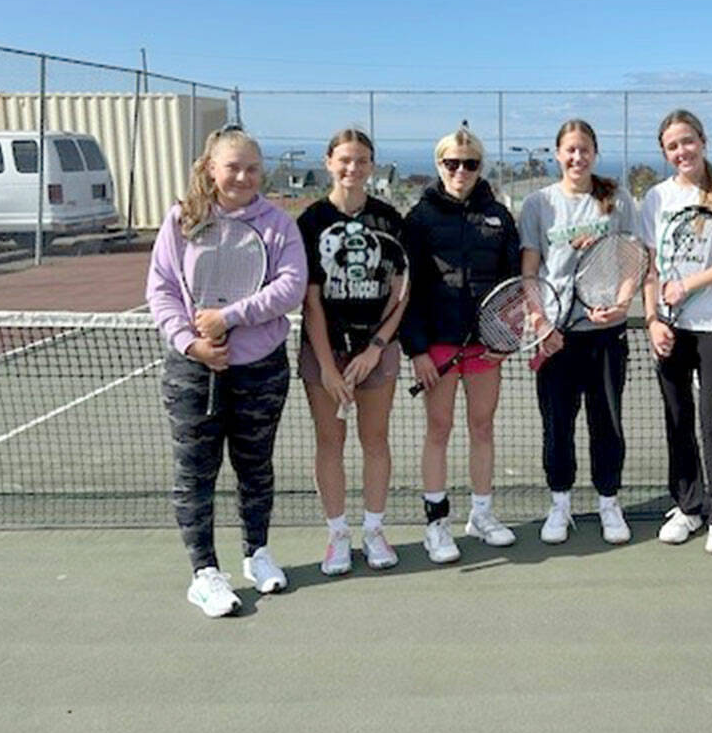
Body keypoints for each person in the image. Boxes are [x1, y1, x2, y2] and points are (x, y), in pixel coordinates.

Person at [146, 124, 306, 618]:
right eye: (232, 166)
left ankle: (256, 553)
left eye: (252, 168)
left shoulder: (279, 224)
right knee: (196, 473)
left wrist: (228, 317)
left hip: (260, 370)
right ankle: (204, 573)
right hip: (192, 372)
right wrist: (192, 343)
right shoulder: (182, 221)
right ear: (211, 168)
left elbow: (291, 287)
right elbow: (162, 289)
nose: (242, 176)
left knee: (255, 467)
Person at [400, 123, 521, 563]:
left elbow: (513, 286)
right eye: (452, 163)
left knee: (483, 427)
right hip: (438, 347)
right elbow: (406, 290)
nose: (461, 171)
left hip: (485, 347)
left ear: (479, 168)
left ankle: (482, 515)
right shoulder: (420, 219)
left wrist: (507, 338)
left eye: (469, 164)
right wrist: (416, 350)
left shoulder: (499, 216)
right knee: (439, 429)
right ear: (439, 165)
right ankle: (436, 524)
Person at [519, 119, 639, 546]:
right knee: (557, 426)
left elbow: (632, 259)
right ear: (557, 154)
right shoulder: (538, 204)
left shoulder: (616, 199)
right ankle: (561, 504)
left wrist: (623, 304)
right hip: (555, 336)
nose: (577, 157)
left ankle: (609, 502)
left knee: (607, 423)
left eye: (584, 149)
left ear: (595, 153)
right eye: (569, 150)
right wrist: (540, 323)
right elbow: (530, 272)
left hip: (605, 334)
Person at [640, 109, 712, 556]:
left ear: (703, 142)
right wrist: (652, 319)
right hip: (670, 327)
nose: (681, 151)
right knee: (677, 420)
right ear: (665, 153)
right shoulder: (656, 198)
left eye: (688, 141)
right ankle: (688, 506)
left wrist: (689, 284)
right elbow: (650, 266)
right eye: (673, 146)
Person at [297, 128, 407, 576]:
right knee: (330, 441)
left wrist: (374, 349)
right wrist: (327, 365)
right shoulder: (310, 222)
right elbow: (311, 301)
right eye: (344, 159)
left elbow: (400, 294)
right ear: (328, 162)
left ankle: (374, 530)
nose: (352, 168)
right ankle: (338, 535)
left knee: (375, 440)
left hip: (377, 351)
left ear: (371, 165)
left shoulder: (389, 219)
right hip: (323, 351)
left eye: (361, 160)